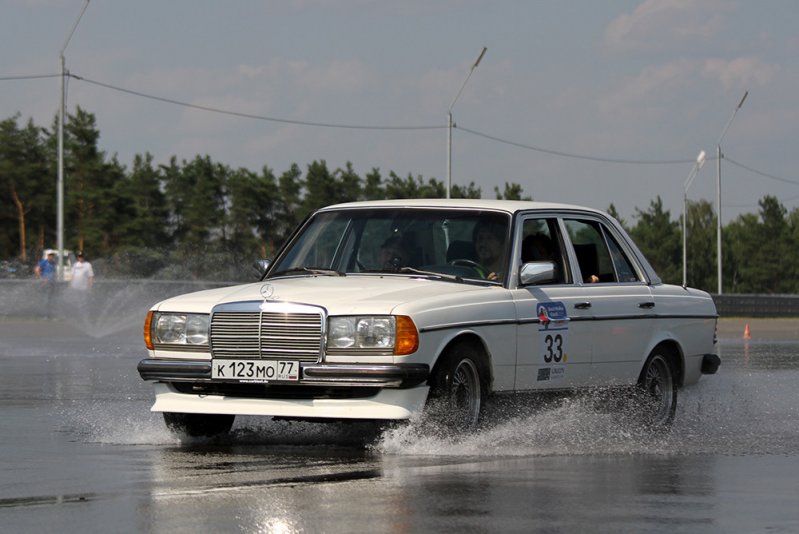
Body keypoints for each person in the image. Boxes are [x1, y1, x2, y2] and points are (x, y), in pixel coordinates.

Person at [34, 250, 57, 318]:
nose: (51, 256)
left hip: (52, 283)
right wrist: (42, 278)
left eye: (52, 255)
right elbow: (36, 269)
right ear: (47, 256)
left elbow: (53, 272)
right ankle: (45, 315)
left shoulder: (53, 263)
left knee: (51, 299)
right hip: (45, 284)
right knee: (46, 299)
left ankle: (50, 314)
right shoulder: (44, 262)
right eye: (50, 255)